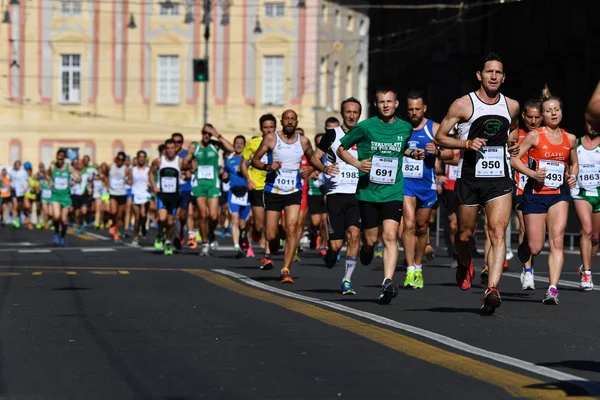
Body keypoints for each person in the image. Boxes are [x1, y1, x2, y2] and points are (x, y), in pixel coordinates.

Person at [434, 52, 520, 315]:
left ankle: (492, 289)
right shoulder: (462, 104)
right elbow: (440, 137)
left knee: (497, 231)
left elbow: (514, 128)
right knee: (464, 235)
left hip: (499, 179)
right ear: (479, 75)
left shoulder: (512, 105)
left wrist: (512, 142)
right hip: (470, 178)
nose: (493, 76)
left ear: (503, 77)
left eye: (498, 73)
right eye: (489, 72)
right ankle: (464, 261)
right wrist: (466, 143)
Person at [337, 87, 413, 304]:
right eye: (382, 102)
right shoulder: (365, 127)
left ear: (396, 104)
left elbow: (401, 148)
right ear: (376, 104)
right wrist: (358, 164)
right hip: (368, 192)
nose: (386, 105)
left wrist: (413, 153)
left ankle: (387, 282)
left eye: (390, 101)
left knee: (390, 236)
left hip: (393, 191)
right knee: (370, 239)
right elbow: (341, 149)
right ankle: (367, 248)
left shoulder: (405, 127)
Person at [512, 85, 578, 305]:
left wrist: (572, 176)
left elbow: (574, 164)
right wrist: (532, 173)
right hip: (535, 194)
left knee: (557, 240)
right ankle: (524, 249)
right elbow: (514, 160)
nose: (553, 113)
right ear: (542, 115)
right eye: (548, 110)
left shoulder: (570, 139)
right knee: (535, 247)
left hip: (558, 194)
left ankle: (552, 289)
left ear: (561, 112)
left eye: (556, 109)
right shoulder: (534, 136)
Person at [251, 109, 314, 283]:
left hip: (293, 191)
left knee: (292, 228)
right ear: (282, 121)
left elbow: (315, 158)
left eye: (293, 119)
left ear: (297, 121)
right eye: (286, 119)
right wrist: (267, 167)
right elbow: (254, 160)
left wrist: (311, 169)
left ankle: (286, 269)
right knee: (271, 236)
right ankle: (276, 239)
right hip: (273, 190)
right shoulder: (272, 138)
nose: (289, 122)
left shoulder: (304, 141)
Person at [310, 97, 362, 295]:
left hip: (356, 193)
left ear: (359, 114)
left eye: (355, 112)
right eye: (348, 112)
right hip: (335, 193)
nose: (351, 115)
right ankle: (331, 253)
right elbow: (315, 157)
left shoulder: (364, 134)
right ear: (342, 113)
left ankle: (347, 280)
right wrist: (324, 167)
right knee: (336, 244)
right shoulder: (332, 134)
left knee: (355, 235)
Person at [401, 91, 452, 289]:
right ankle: (409, 270)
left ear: (424, 108)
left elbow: (450, 153)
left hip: (427, 185)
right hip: (406, 183)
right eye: (410, 109)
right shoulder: (402, 128)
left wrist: (437, 151)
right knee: (409, 224)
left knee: (422, 228)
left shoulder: (435, 128)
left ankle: (418, 267)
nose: (414, 113)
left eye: (417, 109)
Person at [183, 124, 234, 256]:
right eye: (205, 133)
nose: (207, 135)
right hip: (199, 184)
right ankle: (205, 243)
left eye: (209, 134)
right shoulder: (194, 146)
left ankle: (211, 232)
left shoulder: (215, 145)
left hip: (213, 183)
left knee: (213, 216)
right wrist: (190, 165)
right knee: (202, 214)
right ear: (201, 132)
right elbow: (184, 163)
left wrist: (217, 135)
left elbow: (232, 149)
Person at [512, 99, 542, 290]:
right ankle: (528, 272)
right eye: (529, 117)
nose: (532, 121)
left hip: (542, 189)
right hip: (521, 188)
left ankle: (527, 258)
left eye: (536, 117)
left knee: (536, 237)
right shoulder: (517, 135)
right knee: (524, 228)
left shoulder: (545, 136)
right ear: (523, 116)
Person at [240, 115, 277, 269]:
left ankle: (267, 256)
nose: (268, 130)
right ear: (261, 128)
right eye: (265, 127)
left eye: (271, 127)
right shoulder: (253, 143)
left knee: (271, 224)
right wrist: (248, 180)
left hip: (274, 186)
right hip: (257, 186)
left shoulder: (280, 142)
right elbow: (243, 164)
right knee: (260, 225)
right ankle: (254, 231)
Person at [573, 121, 600, 291]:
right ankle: (587, 274)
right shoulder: (576, 143)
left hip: (598, 192)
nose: (593, 126)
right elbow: (569, 164)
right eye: (590, 122)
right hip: (580, 192)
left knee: (596, 237)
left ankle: (585, 265)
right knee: (587, 230)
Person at [149, 139, 185, 255]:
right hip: (162, 194)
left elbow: (188, 171)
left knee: (170, 222)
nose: (170, 151)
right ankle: (160, 235)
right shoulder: (159, 161)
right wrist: (154, 186)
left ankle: (168, 242)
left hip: (174, 195)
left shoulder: (180, 161)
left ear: (176, 149)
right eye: (168, 148)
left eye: (172, 148)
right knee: (162, 219)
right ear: (165, 149)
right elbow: (151, 172)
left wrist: (186, 175)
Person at [223, 135, 252, 258]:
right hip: (233, 192)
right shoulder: (229, 159)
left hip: (246, 193)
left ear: (244, 145)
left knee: (243, 224)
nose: (239, 145)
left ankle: (243, 237)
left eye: (241, 143)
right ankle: (236, 247)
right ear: (233, 145)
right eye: (237, 143)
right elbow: (225, 173)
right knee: (234, 219)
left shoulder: (248, 159)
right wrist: (223, 176)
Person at [48, 149, 81, 246]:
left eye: (61, 159)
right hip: (56, 195)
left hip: (66, 196)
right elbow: (48, 175)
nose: (60, 161)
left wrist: (75, 181)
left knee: (64, 220)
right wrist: (50, 182)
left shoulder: (69, 168)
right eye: (58, 159)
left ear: (64, 159)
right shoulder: (52, 167)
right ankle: (55, 233)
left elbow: (78, 177)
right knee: (56, 216)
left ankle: (62, 237)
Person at [105, 152, 130, 241]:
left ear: (124, 161)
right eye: (118, 159)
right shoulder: (111, 166)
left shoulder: (126, 169)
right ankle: (113, 224)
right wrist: (107, 185)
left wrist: (129, 181)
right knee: (113, 211)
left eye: (122, 160)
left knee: (120, 215)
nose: (120, 162)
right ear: (116, 159)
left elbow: (129, 179)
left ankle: (116, 232)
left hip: (122, 193)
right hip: (113, 192)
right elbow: (104, 175)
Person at [130, 150, 151, 246]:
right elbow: (129, 180)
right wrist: (128, 181)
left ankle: (143, 227)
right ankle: (136, 236)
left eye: (143, 157)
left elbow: (152, 179)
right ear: (137, 158)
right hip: (135, 193)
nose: (141, 159)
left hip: (146, 194)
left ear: (145, 158)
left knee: (143, 214)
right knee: (137, 217)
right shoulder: (132, 169)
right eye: (140, 157)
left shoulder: (149, 169)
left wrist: (151, 184)